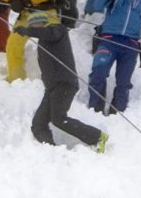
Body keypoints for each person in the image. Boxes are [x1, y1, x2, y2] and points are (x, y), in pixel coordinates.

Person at [14, 11, 109, 152]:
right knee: (38, 124)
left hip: (64, 84)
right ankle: (50, 151)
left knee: (58, 119)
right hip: (52, 87)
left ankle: (97, 137)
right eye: (31, 26)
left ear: (42, 22)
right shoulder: (44, 39)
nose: (33, 28)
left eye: (34, 25)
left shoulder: (58, 30)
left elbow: (50, 34)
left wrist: (27, 30)